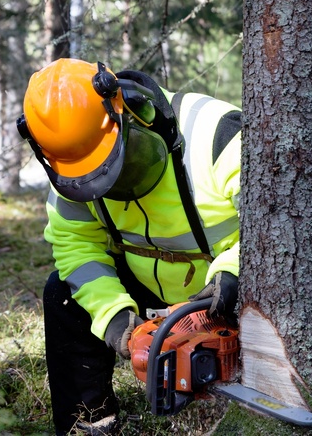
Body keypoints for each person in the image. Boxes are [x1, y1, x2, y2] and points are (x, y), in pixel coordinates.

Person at [17, 59, 242, 435]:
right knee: (62, 294)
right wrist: (117, 321)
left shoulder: (216, 135)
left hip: (230, 283)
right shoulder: (68, 169)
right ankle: (89, 424)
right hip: (148, 283)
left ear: (126, 109)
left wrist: (232, 275)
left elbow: (281, 226)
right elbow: (77, 247)